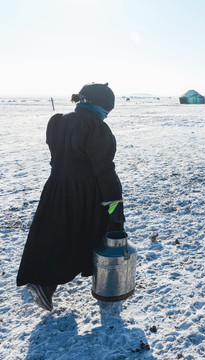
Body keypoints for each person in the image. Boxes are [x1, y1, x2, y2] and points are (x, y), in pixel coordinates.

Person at [17, 83, 125, 312]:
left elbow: (55, 157)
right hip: (86, 192)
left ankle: (44, 284)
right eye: (108, 109)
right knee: (83, 235)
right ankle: (96, 282)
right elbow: (105, 171)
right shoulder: (96, 128)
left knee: (55, 233)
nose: (107, 115)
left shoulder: (58, 122)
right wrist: (115, 206)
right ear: (101, 105)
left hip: (55, 187)